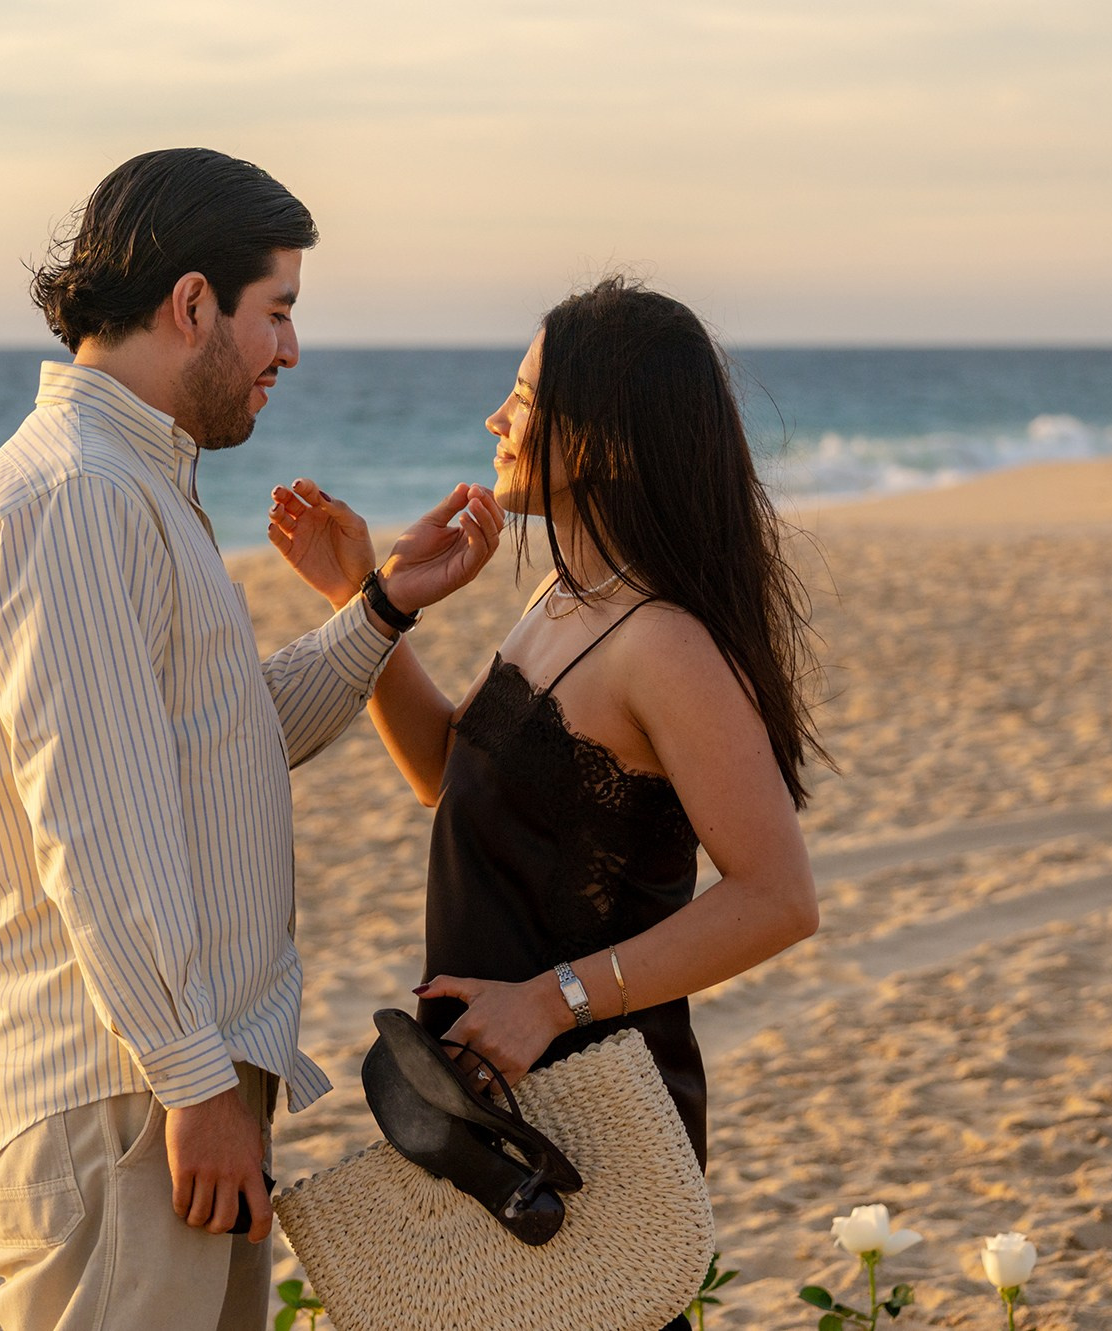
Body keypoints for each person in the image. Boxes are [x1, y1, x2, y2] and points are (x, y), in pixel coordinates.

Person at [0, 148, 500, 1331]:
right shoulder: (78, 497)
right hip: (124, 1093)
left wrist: (379, 608)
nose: (289, 348)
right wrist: (193, 1080)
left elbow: (212, 743)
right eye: (276, 310)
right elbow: (101, 826)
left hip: (162, 1081)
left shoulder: (129, 479)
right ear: (193, 303)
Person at [269, 276, 824, 1329]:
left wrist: (551, 997)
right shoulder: (562, 599)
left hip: (588, 1121)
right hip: (497, 1114)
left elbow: (776, 897)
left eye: (521, 397)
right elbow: (448, 770)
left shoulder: (664, 643)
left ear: (603, 441)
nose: (495, 418)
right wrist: (366, 601)